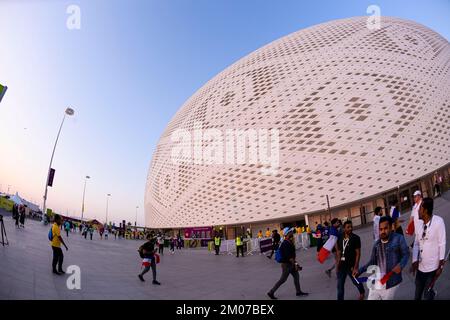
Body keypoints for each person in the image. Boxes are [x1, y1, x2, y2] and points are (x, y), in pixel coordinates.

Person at [355, 216, 409, 300]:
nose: (383, 231)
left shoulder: (398, 239)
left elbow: (406, 254)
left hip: (391, 282)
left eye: (385, 228)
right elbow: (372, 262)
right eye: (381, 229)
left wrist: (401, 265)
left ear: (391, 228)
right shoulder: (377, 245)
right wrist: (359, 271)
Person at [411, 197, 446, 300]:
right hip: (421, 268)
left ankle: (431, 294)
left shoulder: (439, 222)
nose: (418, 210)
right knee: (417, 295)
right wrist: (414, 260)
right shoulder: (419, 224)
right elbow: (416, 243)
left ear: (425, 210)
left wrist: (440, 267)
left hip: (432, 269)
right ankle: (431, 294)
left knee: (427, 295)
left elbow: (442, 244)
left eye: (420, 208)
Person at [267, 227, 308, 299]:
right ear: (287, 234)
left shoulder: (289, 242)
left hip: (291, 264)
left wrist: (295, 264)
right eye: (291, 232)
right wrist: (296, 264)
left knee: (296, 277)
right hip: (287, 265)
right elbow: (290, 257)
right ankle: (271, 292)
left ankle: (298, 292)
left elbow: (292, 256)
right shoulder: (286, 243)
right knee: (283, 279)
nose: (292, 233)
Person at [335, 221, 365, 300]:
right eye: (348, 227)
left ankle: (362, 292)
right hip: (342, 266)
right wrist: (337, 266)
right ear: (344, 228)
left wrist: (355, 267)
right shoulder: (340, 237)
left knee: (356, 281)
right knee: (340, 286)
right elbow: (339, 252)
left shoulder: (356, 238)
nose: (350, 228)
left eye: (351, 227)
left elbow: (358, 253)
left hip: (351, 266)